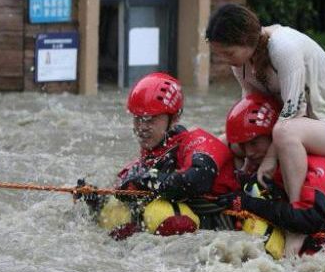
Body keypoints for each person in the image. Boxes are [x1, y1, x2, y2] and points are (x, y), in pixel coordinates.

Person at [205, 3, 325, 208]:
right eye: (220, 55)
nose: (225, 61)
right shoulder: (241, 63)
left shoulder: (283, 47)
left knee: (284, 132)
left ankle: (296, 217)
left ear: (245, 40)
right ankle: (209, 196)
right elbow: (253, 112)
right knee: (230, 139)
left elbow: (293, 112)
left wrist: (270, 159)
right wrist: (246, 156)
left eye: (229, 53)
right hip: (296, 127)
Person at [76, 72, 239, 239]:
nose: (142, 127)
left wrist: (150, 181)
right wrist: (94, 201)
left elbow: (199, 178)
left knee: (167, 215)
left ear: (174, 118)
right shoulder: (144, 161)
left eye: (150, 120)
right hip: (172, 234)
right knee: (117, 210)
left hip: (218, 224)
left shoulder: (197, 142)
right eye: (137, 119)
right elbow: (120, 194)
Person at [216, 93, 325, 258]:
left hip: (313, 236)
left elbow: (308, 219)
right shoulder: (255, 158)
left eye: (254, 143)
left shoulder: (313, 165)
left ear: (273, 137)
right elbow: (225, 145)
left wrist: (245, 202)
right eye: (243, 145)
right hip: (278, 221)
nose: (249, 152)